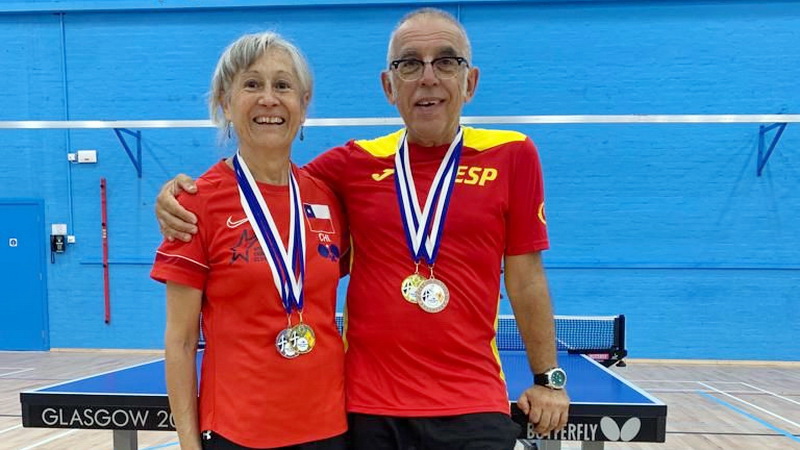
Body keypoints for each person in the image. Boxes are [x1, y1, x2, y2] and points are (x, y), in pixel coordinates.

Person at [156, 8, 569, 449]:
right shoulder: (353, 165)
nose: (428, 77)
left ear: (470, 82)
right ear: (389, 86)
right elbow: (264, 186)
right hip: (366, 407)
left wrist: (548, 376)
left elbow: (526, 278)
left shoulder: (513, 155)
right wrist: (175, 197)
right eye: (410, 64)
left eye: (446, 62)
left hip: (470, 403)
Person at [150, 31, 348, 450]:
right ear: (225, 102)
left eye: (283, 85)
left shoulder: (327, 197)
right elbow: (180, 342)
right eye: (252, 84)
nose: (269, 99)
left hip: (330, 428)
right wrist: (188, 444)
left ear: (304, 104)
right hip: (237, 432)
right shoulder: (195, 204)